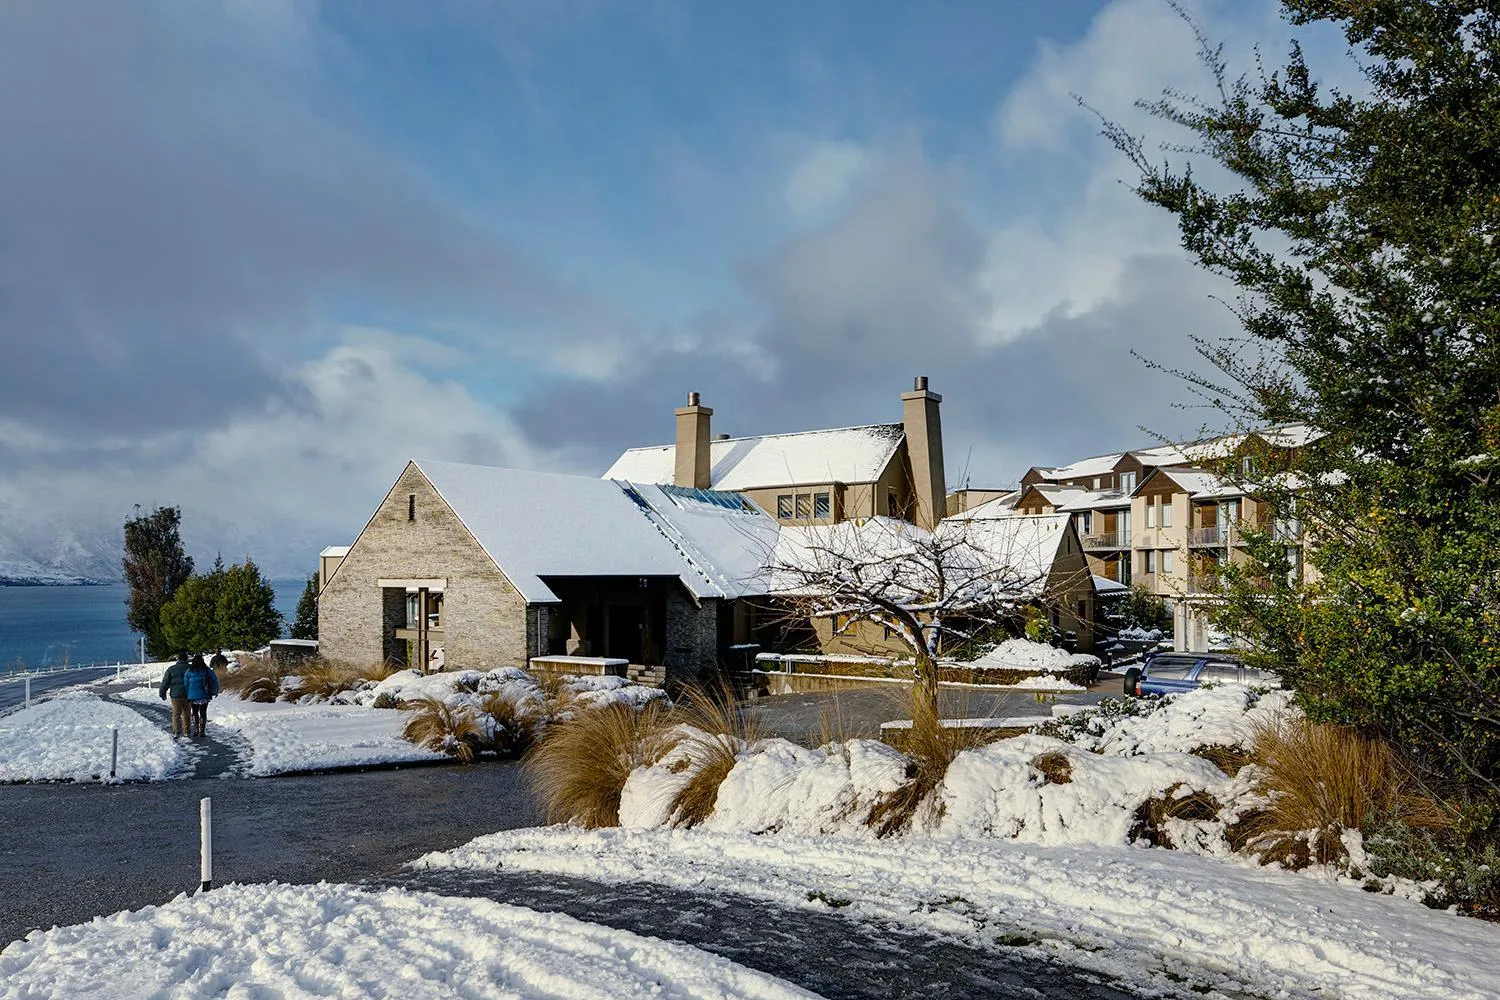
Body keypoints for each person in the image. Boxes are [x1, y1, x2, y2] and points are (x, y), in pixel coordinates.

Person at [184, 653, 221, 738]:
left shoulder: (189, 671)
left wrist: (188, 692)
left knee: (194, 712)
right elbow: (214, 680)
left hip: (192, 696)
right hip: (204, 694)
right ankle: (202, 731)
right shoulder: (206, 670)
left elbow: (186, 683)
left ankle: (196, 729)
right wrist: (215, 690)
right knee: (203, 712)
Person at [158, 652, 192, 738]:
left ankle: (176, 731)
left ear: (178, 659)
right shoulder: (191, 668)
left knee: (176, 714)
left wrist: (162, 693)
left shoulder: (171, 669)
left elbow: (165, 682)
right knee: (187, 713)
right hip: (188, 694)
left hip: (175, 695)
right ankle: (186, 731)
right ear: (186, 659)